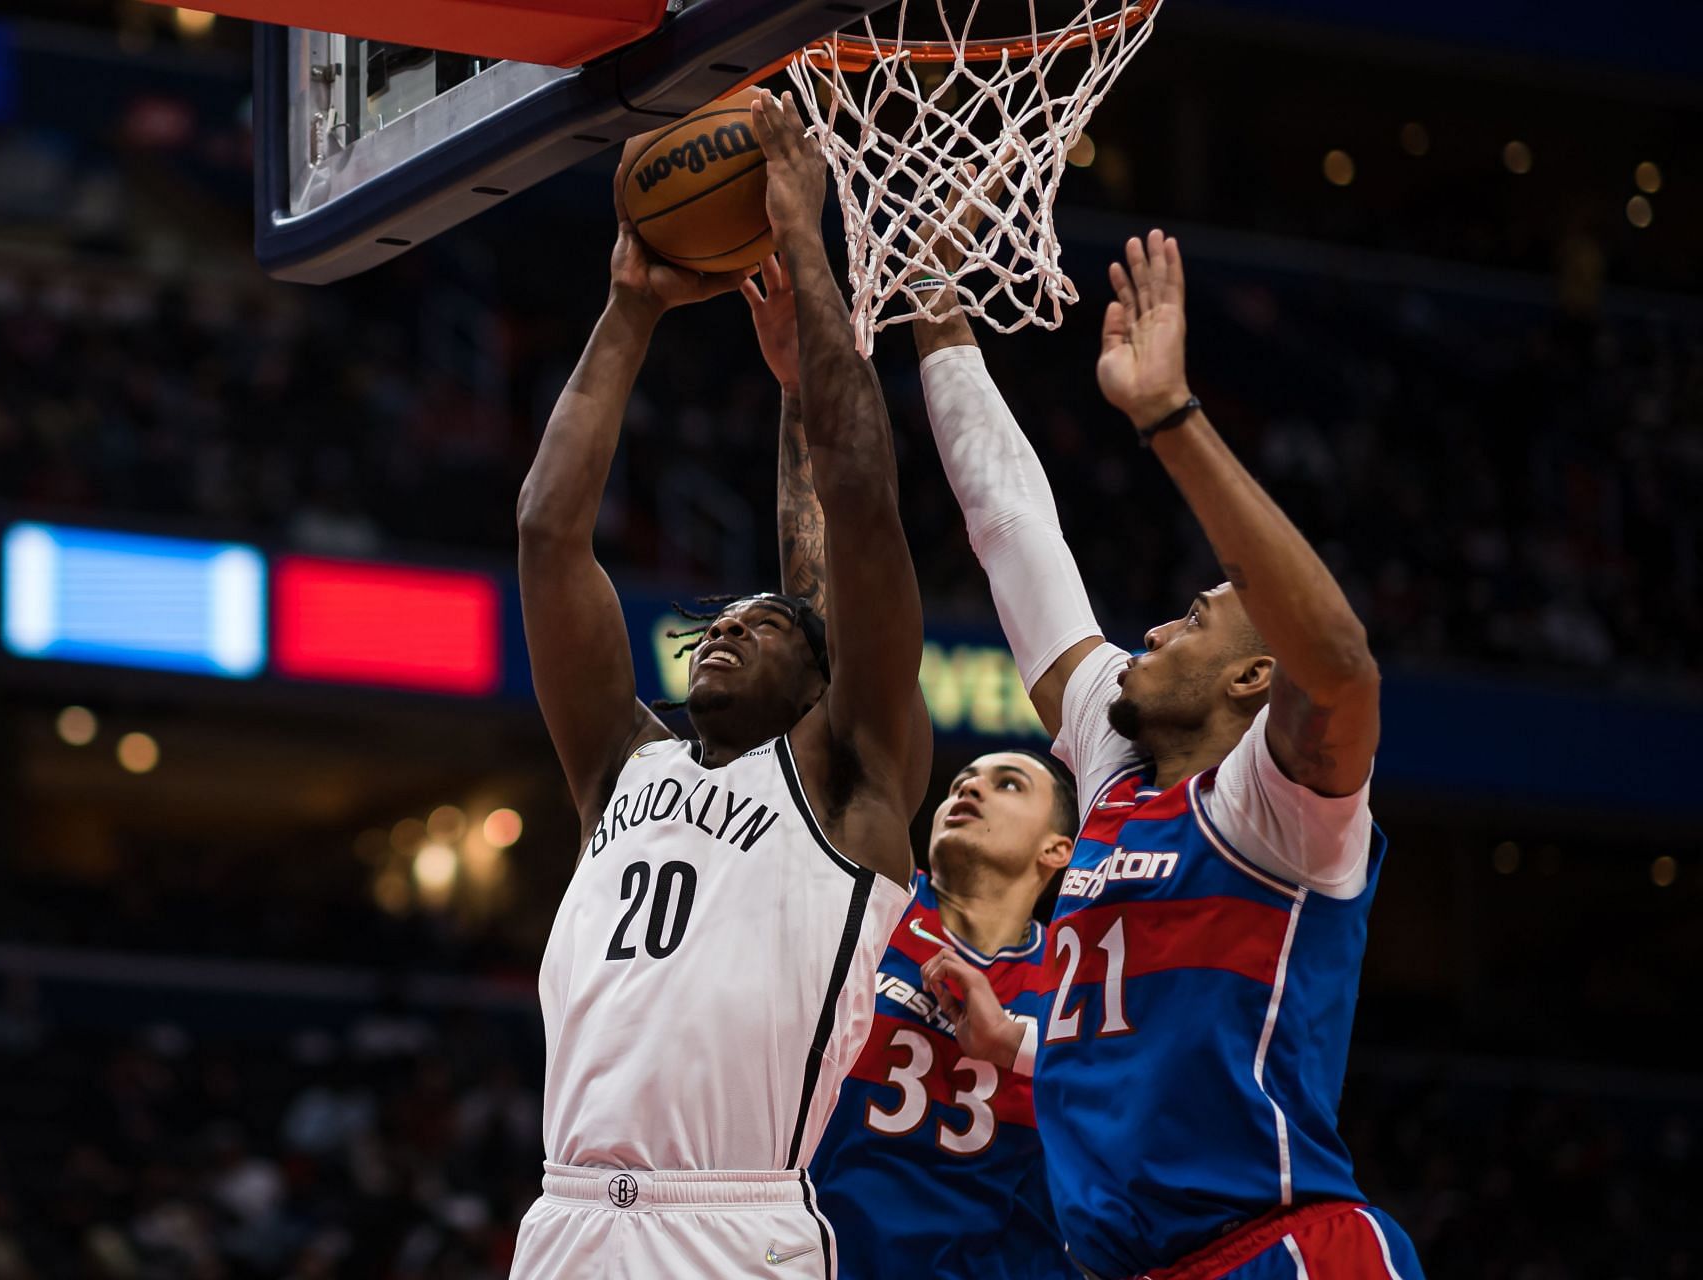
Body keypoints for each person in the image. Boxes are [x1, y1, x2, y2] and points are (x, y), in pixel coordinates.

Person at [911, 229, 1426, 1279]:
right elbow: (1012, 526)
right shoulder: (1114, 774)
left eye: (1194, 617)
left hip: (1282, 1250)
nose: (1150, 631)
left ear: (1252, 677)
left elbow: (1342, 669)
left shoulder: (1277, 811)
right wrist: (938, 311)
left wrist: (1170, 419)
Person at [508, 89, 931, 1280]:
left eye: (764, 622)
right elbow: (548, 531)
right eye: (717, 618)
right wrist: (629, 310)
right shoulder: (618, 763)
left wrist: (802, 232)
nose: (728, 627)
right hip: (565, 1213)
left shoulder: (851, 779)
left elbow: (860, 507)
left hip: (733, 1222)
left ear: (826, 677)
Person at [741, 247, 1072, 1280]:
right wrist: (801, 391)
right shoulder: (878, 903)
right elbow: (820, 609)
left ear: (1061, 850)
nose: (970, 781)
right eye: (973, 775)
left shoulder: (1078, 983)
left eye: (1009, 780)